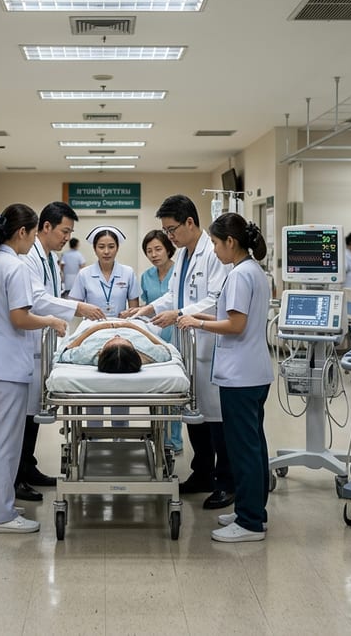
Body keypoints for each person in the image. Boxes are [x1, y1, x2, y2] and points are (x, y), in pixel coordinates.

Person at [122, 195, 233, 510]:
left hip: (209, 345)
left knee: (216, 418)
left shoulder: (212, 253)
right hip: (189, 344)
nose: (169, 237)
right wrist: (145, 310)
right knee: (194, 414)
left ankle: (226, 482)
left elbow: (215, 299)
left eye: (172, 230)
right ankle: (202, 473)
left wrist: (181, 312)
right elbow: (173, 293)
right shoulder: (185, 255)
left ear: (190, 222)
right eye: (165, 231)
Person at [0, 204, 67, 533]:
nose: (32, 241)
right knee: (5, 443)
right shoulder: (17, 266)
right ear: (22, 232)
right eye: (32, 233)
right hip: (7, 364)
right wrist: (51, 320)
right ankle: (2, 515)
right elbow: (20, 317)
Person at [177, 213, 273, 543]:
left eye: (216, 244)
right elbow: (228, 314)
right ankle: (253, 511)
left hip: (241, 376)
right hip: (255, 372)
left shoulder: (239, 276)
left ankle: (249, 523)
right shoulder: (254, 273)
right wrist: (197, 315)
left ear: (230, 242)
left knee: (244, 450)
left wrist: (198, 324)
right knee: (254, 445)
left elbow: (235, 325)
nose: (215, 250)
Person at [17, 202, 105, 502]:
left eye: (70, 232)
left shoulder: (49, 257)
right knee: (24, 415)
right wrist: (78, 307)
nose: (67, 237)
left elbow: (50, 297)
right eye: (64, 231)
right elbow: (38, 300)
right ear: (46, 227)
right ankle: (17, 475)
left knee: (32, 412)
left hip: (42, 342)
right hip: (26, 343)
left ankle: (27, 467)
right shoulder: (30, 257)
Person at [69, 225, 141, 428]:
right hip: (92, 332)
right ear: (94, 249)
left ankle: (121, 431)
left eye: (111, 246)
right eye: (101, 247)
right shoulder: (84, 275)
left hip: (120, 331)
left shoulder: (127, 273)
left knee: (120, 380)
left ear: (117, 248)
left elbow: (134, 309)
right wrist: (86, 311)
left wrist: (128, 313)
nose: (106, 251)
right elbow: (74, 307)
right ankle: (93, 432)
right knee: (95, 381)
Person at [141, 229, 182, 453]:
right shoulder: (146, 276)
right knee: (155, 388)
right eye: (149, 251)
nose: (154, 254)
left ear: (168, 248)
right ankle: (157, 433)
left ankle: (174, 440)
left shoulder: (179, 272)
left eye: (158, 249)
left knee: (173, 391)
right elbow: (147, 307)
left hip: (175, 334)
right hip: (154, 339)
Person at [56, 320, 174, 369]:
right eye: (125, 341)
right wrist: (132, 326)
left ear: (101, 352)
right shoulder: (150, 353)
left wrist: (96, 328)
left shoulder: (86, 354)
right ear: (135, 350)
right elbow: (166, 349)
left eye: (111, 341)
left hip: (97, 325)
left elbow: (65, 352)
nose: (117, 336)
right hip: (131, 325)